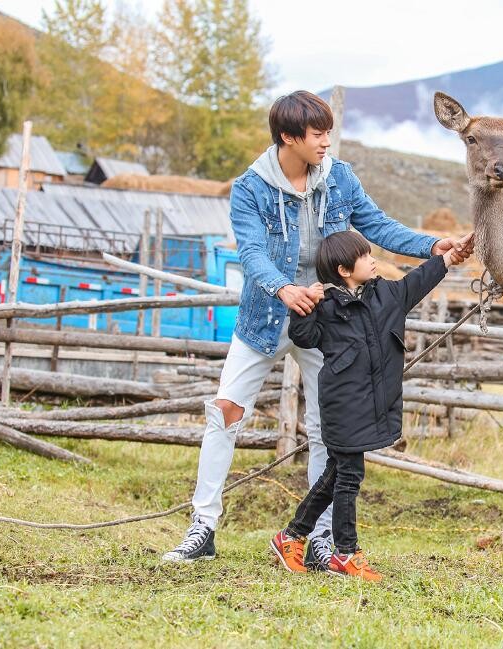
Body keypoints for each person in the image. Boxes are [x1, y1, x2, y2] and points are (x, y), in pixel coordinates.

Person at [162, 91, 473, 567]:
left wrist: (431, 245)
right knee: (223, 410)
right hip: (266, 316)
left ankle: (321, 539)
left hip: (329, 320)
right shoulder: (250, 187)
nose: (327, 141)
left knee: (328, 430)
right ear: (289, 137)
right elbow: (250, 252)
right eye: (317, 133)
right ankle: (202, 526)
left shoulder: (340, 178)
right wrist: (284, 288)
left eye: (328, 130)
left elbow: (378, 227)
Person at [270, 230, 461, 581]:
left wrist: (446, 259)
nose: (372, 258)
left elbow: (417, 281)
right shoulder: (326, 309)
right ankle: (345, 552)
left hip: (370, 402)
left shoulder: (386, 295)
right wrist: (305, 307)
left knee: (335, 474)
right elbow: (305, 337)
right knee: (349, 476)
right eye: (364, 255)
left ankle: (292, 535)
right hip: (342, 404)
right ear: (344, 269)